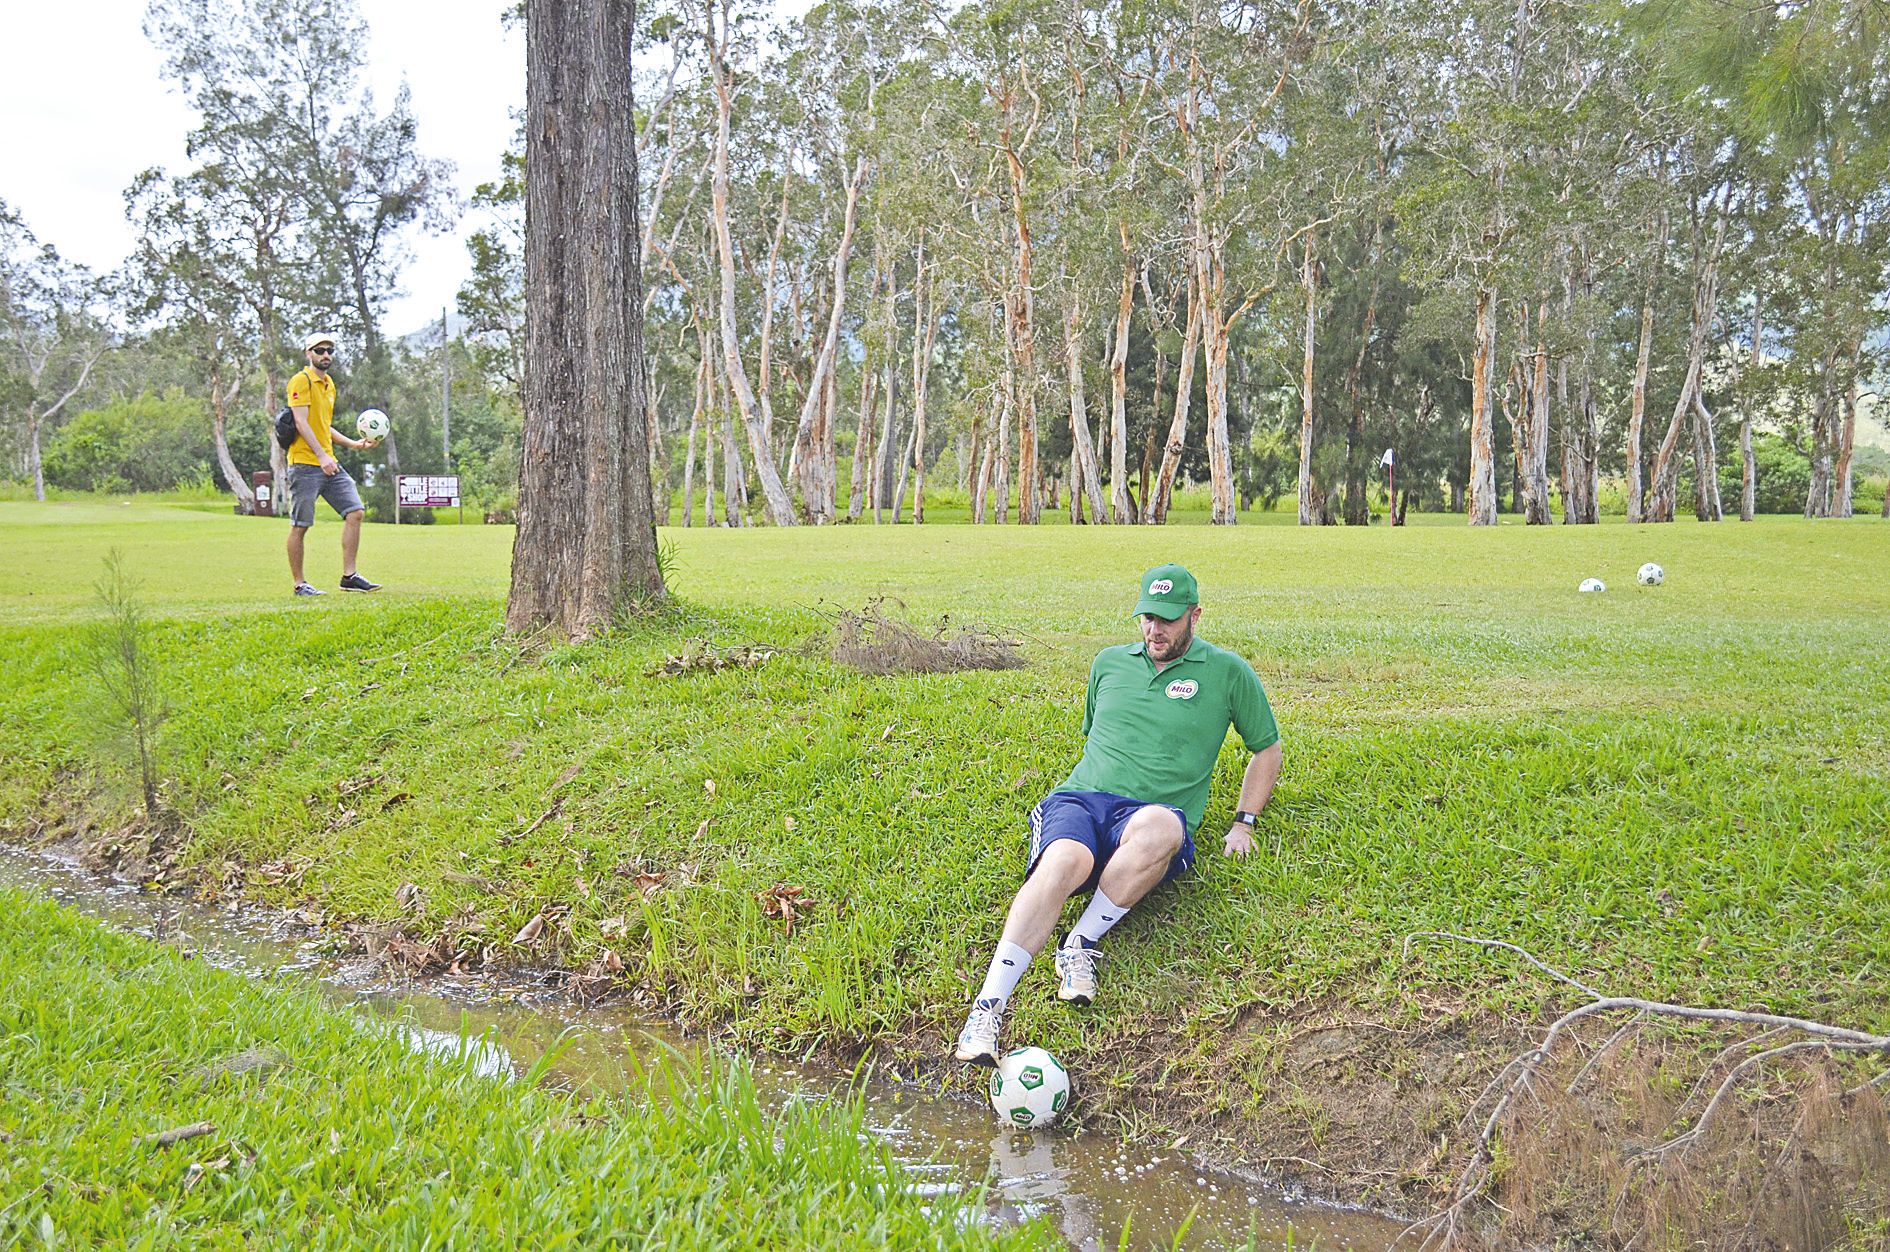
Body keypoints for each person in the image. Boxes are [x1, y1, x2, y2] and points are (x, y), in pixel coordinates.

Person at [954, 563, 1282, 1065]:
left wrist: (1244, 821)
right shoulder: (1108, 663)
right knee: (1062, 862)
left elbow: (1267, 748)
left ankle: (1081, 942)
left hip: (1152, 815)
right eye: (1148, 617)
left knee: (1161, 829)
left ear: (1195, 615)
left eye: (1169, 619)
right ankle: (987, 1009)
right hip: (1081, 801)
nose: (1156, 629)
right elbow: (1095, 736)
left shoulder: (1228, 673)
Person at [285, 332, 382, 597]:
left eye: (329, 350)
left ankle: (349, 576)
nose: (325, 355)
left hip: (329, 463)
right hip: (305, 464)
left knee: (355, 511)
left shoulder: (329, 384)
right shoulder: (301, 381)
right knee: (300, 524)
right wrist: (322, 457)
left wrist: (353, 443)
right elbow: (301, 422)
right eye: (319, 350)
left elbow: (323, 425)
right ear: (309, 353)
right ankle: (299, 584)